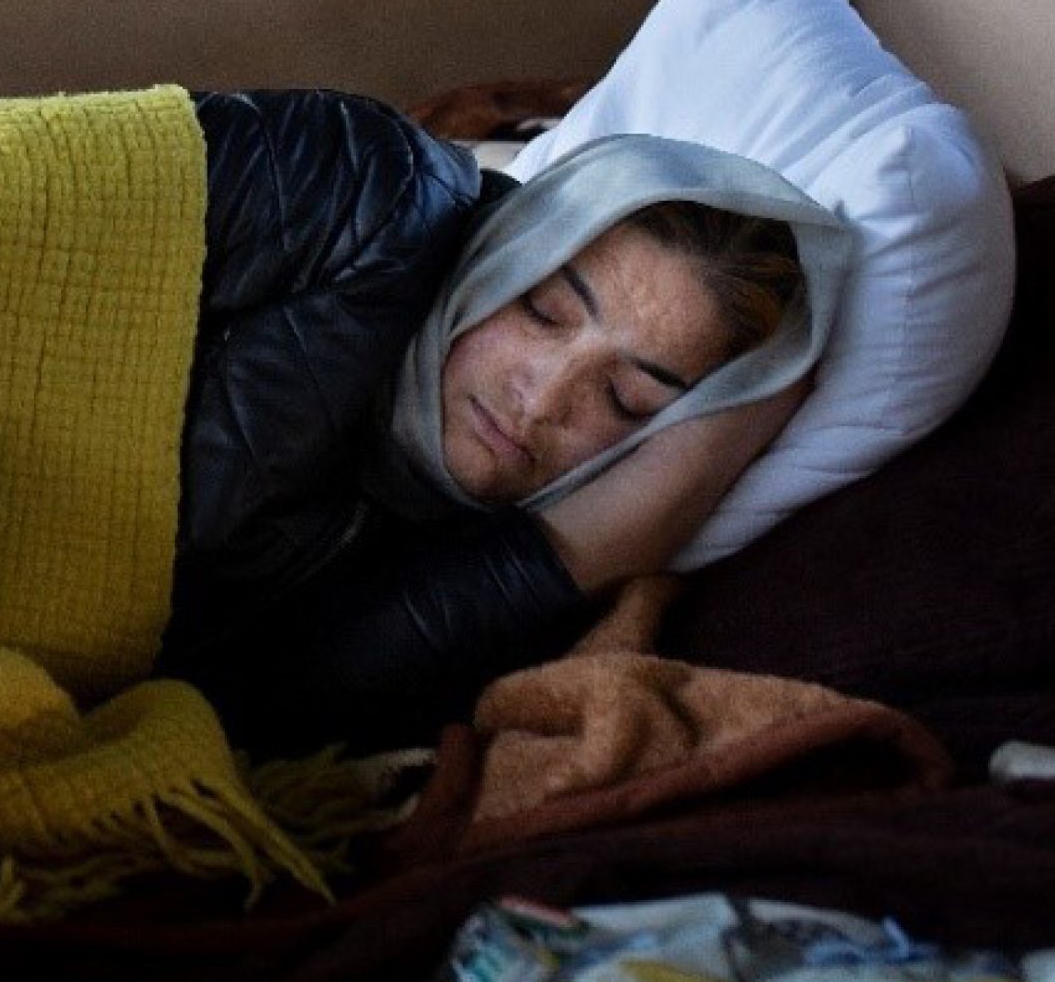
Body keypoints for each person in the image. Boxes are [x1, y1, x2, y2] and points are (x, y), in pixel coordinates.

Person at [154, 88, 851, 758]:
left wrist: (711, 445)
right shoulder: (364, 190)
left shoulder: (480, 570)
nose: (543, 402)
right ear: (505, 247)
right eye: (542, 311)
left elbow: (255, 708)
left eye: (627, 398)